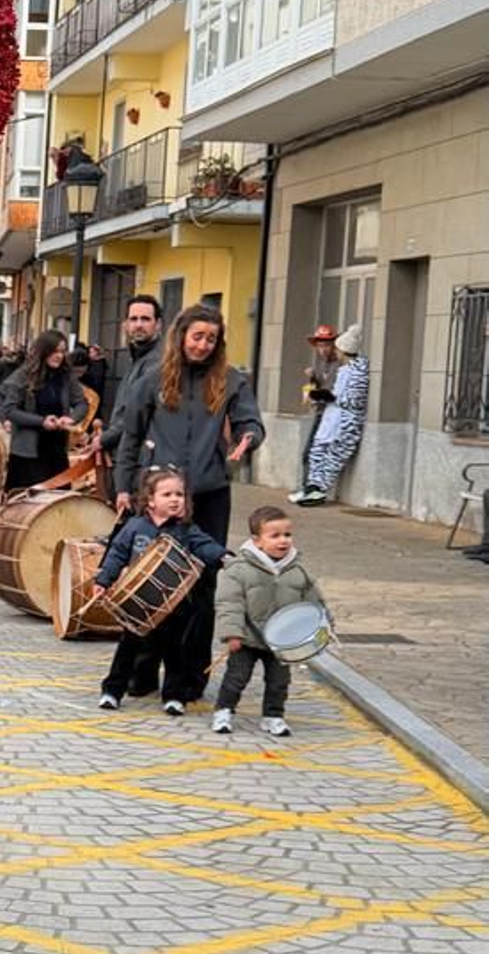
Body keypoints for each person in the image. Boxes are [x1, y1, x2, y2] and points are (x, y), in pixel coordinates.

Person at [113, 304, 262, 698]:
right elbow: (130, 435)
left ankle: (189, 679)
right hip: (158, 495)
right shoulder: (153, 378)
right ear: (181, 336)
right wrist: (124, 487)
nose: (203, 344)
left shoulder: (231, 380)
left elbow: (250, 422)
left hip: (209, 495)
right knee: (150, 582)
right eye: (197, 336)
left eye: (211, 339)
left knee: (201, 587)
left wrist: (248, 438)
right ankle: (141, 674)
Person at [92, 467, 227, 716]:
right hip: (138, 605)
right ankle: (112, 691)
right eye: (167, 494)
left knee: (175, 651)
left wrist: (223, 556)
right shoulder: (134, 526)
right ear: (150, 501)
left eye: (180, 494)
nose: (175, 499)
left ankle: (174, 696)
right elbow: (117, 554)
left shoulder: (186, 529)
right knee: (127, 650)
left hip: (173, 604)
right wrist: (104, 580)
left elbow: (205, 546)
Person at [213, 506, 330, 739]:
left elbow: (314, 605)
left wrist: (323, 630)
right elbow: (229, 603)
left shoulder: (299, 571)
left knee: (279, 682)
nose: (283, 541)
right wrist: (232, 634)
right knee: (237, 678)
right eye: (274, 535)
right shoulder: (238, 570)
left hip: (283, 642)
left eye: (287, 534)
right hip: (247, 637)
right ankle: (224, 710)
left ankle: (273, 716)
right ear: (256, 541)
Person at [0, 329, 88, 494]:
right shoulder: (24, 375)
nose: (59, 356)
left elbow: (81, 403)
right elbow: (10, 409)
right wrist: (41, 422)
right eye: (55, 351)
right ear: (44, 351)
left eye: (63, 351)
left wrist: (71, 419)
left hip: (57, 450)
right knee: (26, 504)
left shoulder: (66, 376)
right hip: (28, 453)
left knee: (56, 504)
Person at [295, 328, 367, 505]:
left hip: (343, 423)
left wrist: (319, 396)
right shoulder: (345, 369)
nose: (333, 351)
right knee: (316, 453)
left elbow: (351, 400)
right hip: (331, 417)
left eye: (335, 347)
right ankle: (312, 488)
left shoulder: (356, 371)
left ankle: (318, 490)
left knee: (332, 457)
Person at [99, 292, 164, 467]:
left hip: (146, 461)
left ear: (158, 324)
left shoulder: (157, 362)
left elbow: (137, 414)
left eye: (145, 319)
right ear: (125, 325)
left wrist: (103, 440)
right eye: (133, 319)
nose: (139, 325)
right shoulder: (137, 358)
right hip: (129, 455)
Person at [297, 324, 339, 491]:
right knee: (311, 453)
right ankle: (308, 488)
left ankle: (310, 489)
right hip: (321, 412)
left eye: (327, 345)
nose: (323, 350)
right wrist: (313, 378)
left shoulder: (338, 365)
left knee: (312, 453)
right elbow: (320, 386)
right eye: (320, 346)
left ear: (334, 345)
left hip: (330, 414)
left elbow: (332, 392)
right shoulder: (321, 364)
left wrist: (315, 394)